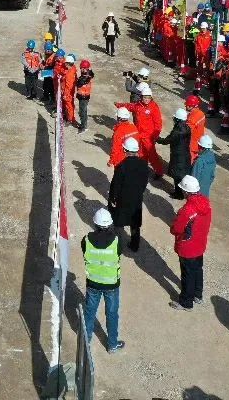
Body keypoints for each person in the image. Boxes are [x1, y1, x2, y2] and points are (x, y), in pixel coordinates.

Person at [82, 208, 125, 352]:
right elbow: (119, 253)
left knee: (89, 312)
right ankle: (112, 344)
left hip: (93, 283)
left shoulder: (86, 240)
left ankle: (86, 342)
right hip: (111, 285)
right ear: (110, 224)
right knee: (112, 314)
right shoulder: (117, 241)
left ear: (95, 224)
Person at [169, 175, 212, 311]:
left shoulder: (187, 210)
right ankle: (197, 294)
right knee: (198, 269)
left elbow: (176, 229)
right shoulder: (206, 203)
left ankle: (186, 302)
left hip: (188, 247)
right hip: (200, 243)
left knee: (187, 274)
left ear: (186, 191)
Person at [109, 137, 150, 252]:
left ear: (124, 150)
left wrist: (113, 198)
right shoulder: (143, 165)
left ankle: (119, 247)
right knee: (135, 223)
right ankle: (134, 245)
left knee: (119, 223)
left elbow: (115, 185)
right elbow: (144, 182)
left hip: (123, 200)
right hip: (137, 198)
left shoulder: (122, 166)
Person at [115, 84, 166, 177]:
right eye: (145, 97)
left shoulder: (154, 107)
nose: (147, 99)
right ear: (141, 97)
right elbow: (130, 106)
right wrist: (119, 105)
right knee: (141, 154)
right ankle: (143, 168)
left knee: (152, 155)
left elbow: (158, 123)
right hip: (139, 135)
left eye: (148, 98)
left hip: (149, 136)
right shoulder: (138, 106)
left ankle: (159, 171)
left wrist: (155, 136)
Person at [158, 108, 192, 199]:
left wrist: (156, 139)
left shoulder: (177, 132)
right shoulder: (187, 128)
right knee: (182, 174)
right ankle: (182, 192)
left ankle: (179, 194)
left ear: (177, 119)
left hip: (178, 156)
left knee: (177, 176)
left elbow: (166, 141)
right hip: (185, 155)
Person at [185, 95, 206, 162]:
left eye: (187, 105)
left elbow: (187, 129)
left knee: (191, 161)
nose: (185, 106)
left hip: (193, 144)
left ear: (191, 106)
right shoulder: (198, 113)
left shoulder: (195, 116)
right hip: (195, 142)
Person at [76, 60, 94, 132]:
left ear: (87, 68)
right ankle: (84, 124)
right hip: (83, 96)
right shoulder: (88, 74)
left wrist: (76, 79)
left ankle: (83, 127)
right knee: (84, 111)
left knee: (82, 112)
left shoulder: (85, 77)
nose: (82, 69)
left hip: (84, 96)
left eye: (84, 68)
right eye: (81, 68)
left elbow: (79, 83)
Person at [61, 55, 79, 126]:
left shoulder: (69, 74)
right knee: (70, 105)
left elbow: (68, 86)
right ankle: (70, 118)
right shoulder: (72, 69)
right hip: (70, 91)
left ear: (67, 63)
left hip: (68, 93)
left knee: (69, 106)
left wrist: (65, 94)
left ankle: (70, 119)